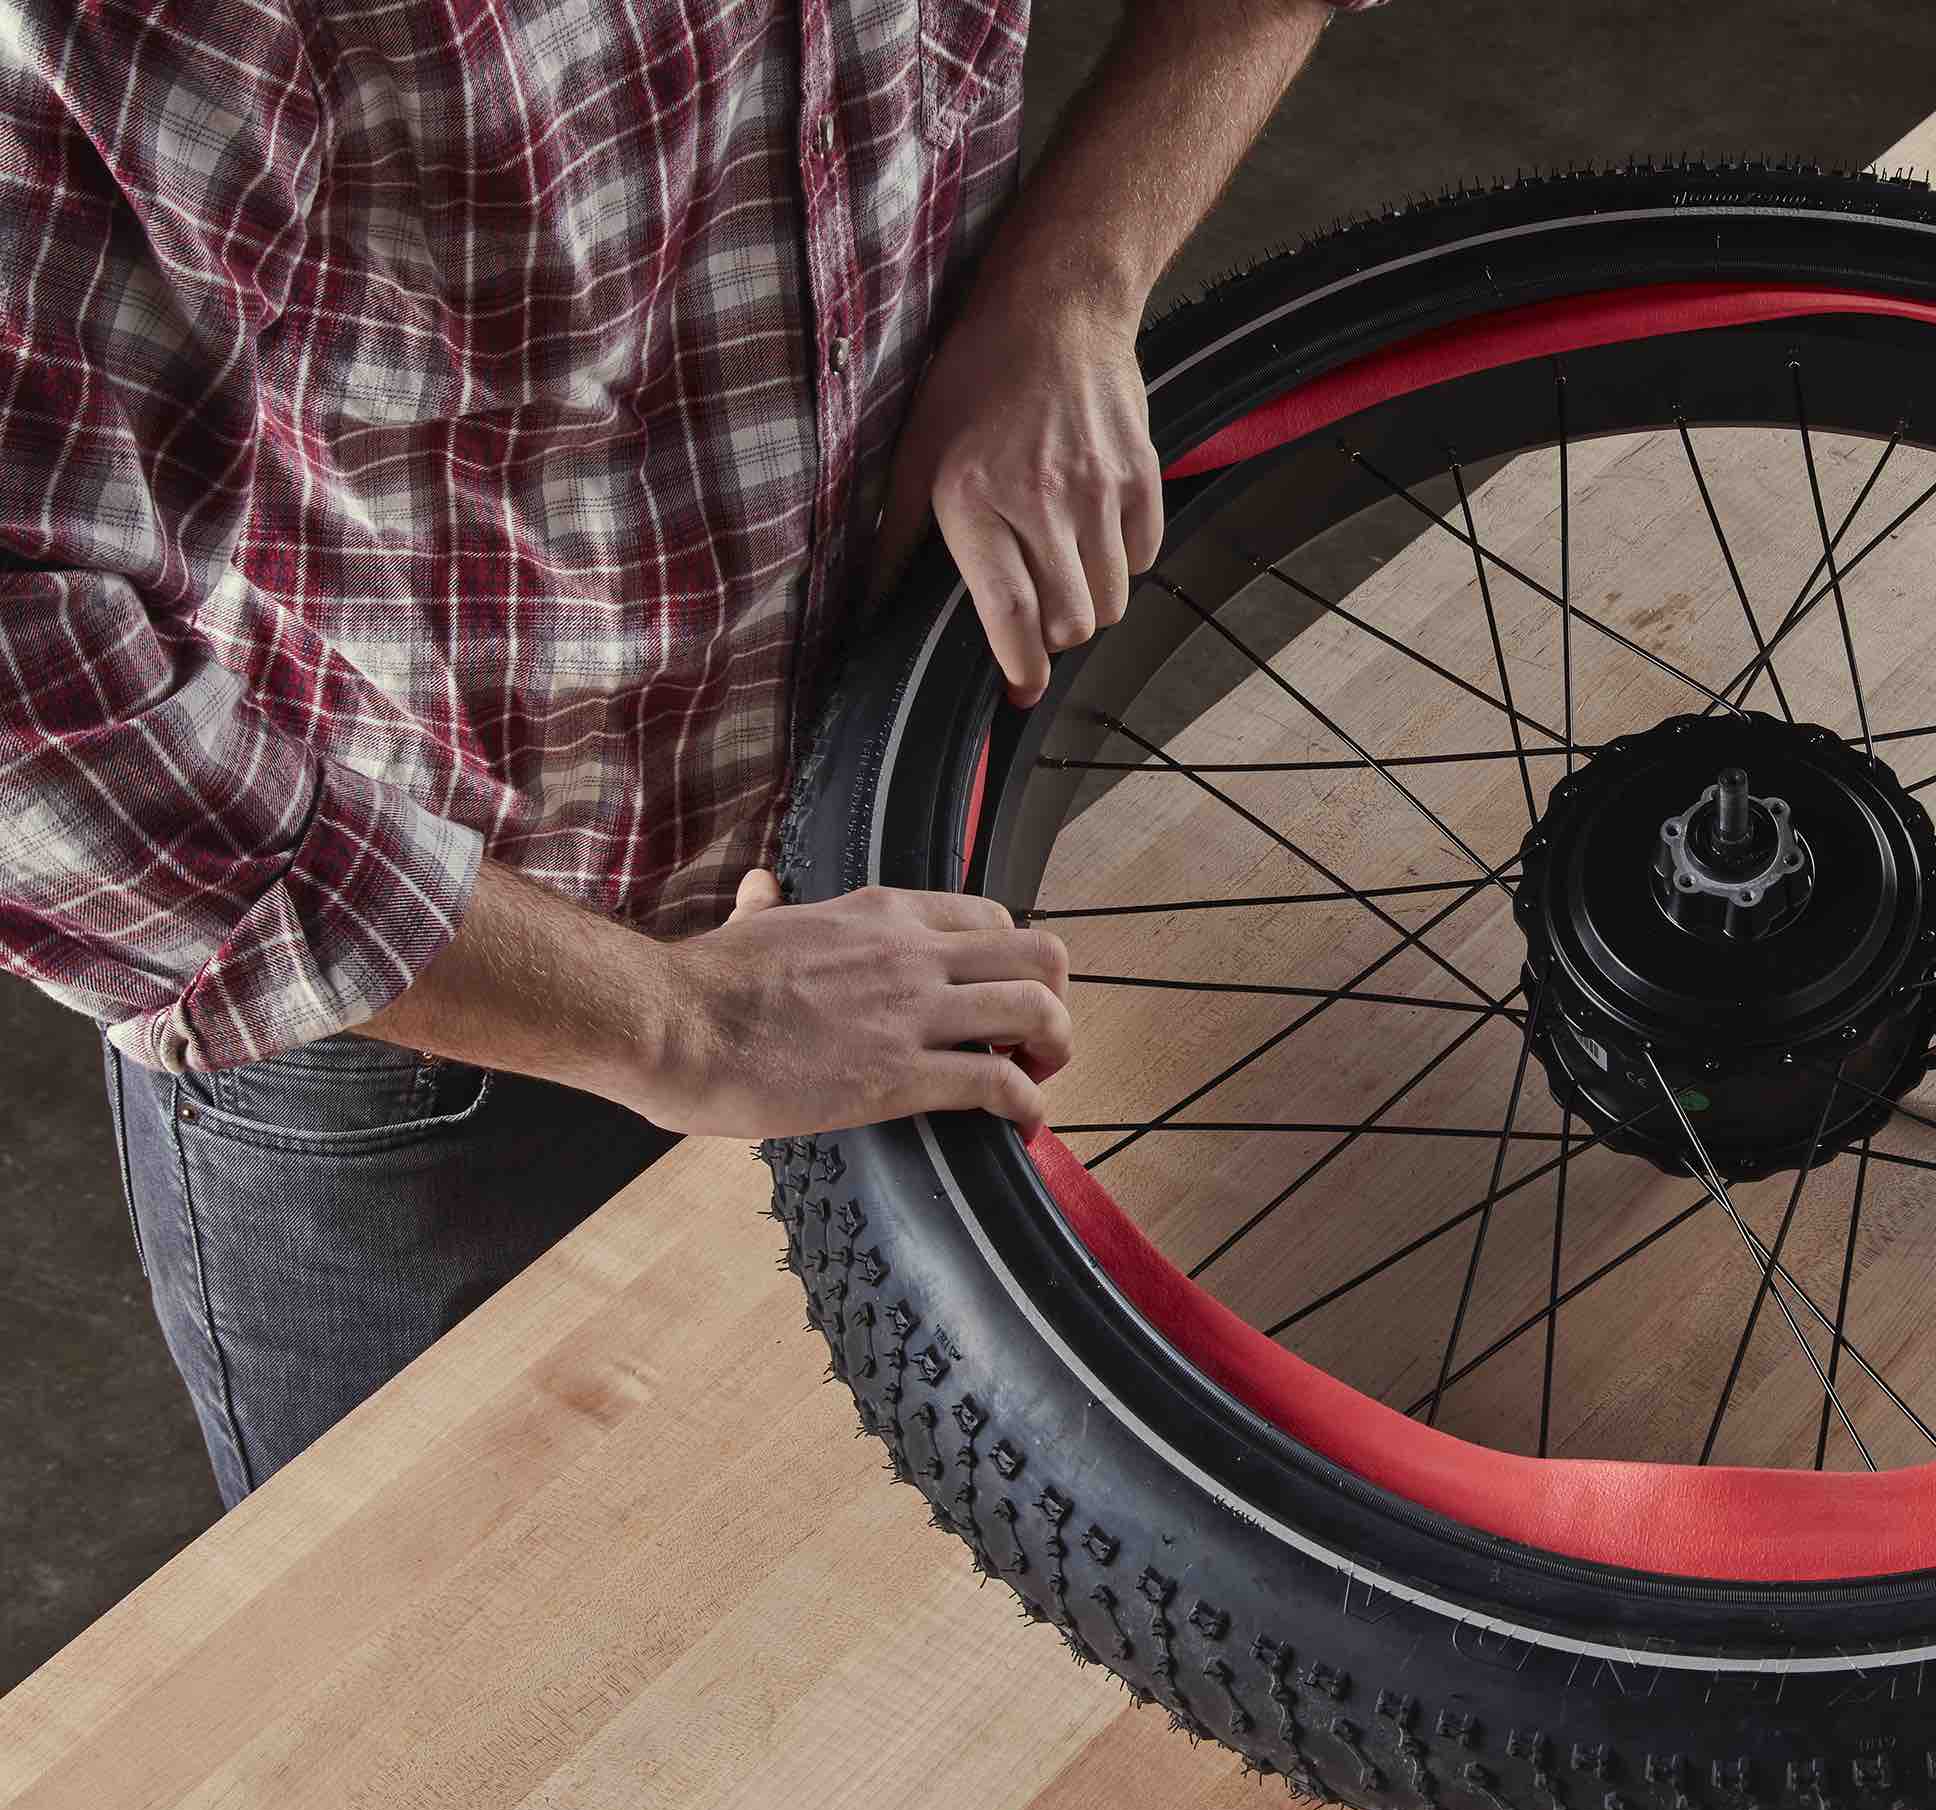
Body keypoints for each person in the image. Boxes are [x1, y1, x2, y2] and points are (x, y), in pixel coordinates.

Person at [0, 0, 1384, 1506]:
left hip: (904, 833)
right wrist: (672, 1024)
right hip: (426, 1032)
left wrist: (1068, 287)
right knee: (463, 1681)